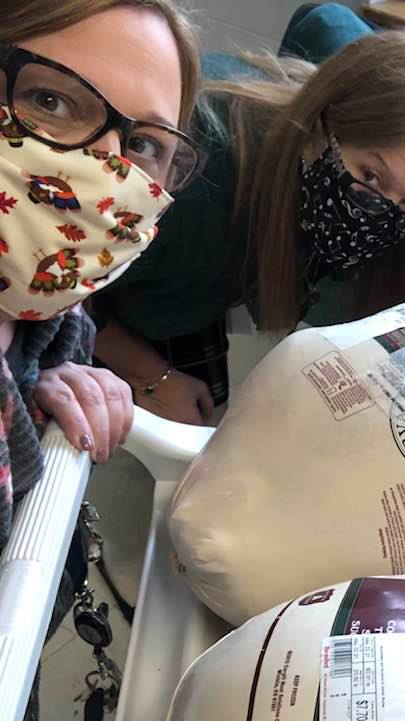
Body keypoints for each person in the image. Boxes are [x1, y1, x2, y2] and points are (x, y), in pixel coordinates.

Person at [91, 6, 405, 425]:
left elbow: (323, 15)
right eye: (372, 175)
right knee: (189, 426)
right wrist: (153, 377)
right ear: (320, 130)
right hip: (89, 293)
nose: (380, 215)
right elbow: (68, 296)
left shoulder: (338, 175)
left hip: (189, 288)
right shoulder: (190, 184)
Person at [1, 0, 202, 717]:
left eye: (145, 145)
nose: (105, 174)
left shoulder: (49, 312)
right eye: (52, 101)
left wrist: (34, 386)